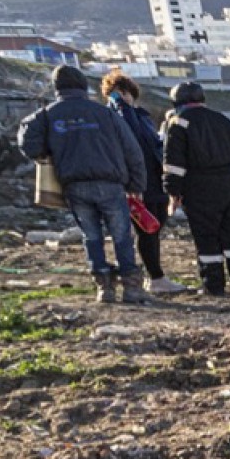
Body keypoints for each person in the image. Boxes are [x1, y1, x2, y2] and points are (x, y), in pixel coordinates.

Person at [17, 65, 149, 305]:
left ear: (57, 87)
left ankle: (104, 288)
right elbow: (132, 150)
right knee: (121, 235)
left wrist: (50, 149)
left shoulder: (47, 114)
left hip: (74, 185)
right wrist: (137, 184)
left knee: (91, 236)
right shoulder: (105, 113)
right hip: (110, 183)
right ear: (82, 85)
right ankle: (132, 289)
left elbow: (29, 143)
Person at [162, 80, 230, 295]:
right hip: (229, 183)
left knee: (206, 236)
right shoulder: (224, 121)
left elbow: (174, 164)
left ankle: (213, 285)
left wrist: (172, 192)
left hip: (199, 185)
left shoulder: (178, 123)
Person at [99, 70, 186, 295]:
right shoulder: (115, 117)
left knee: (155, 227)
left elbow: (155, 146)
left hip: (154, 180)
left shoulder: (142, 116)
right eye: (118, 93)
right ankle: (155, 278)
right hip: (135, 184)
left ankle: (155, 275)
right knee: (146, 230)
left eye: (126, 92)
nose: (124, 97)